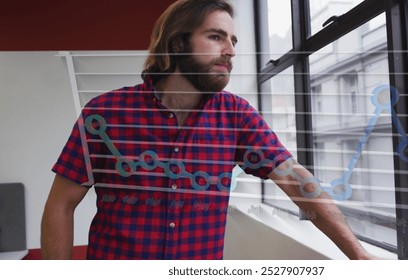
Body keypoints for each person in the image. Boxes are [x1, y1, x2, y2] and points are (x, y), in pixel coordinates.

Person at [41, 0, 375, 260]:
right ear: (176, 45)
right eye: (216, 37)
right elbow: (61, 204)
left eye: (232, 41)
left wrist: (358, 254)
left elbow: (295, 180)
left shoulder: (237, 115)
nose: (230, 51)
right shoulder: (104, 113)